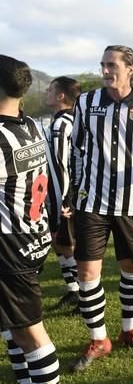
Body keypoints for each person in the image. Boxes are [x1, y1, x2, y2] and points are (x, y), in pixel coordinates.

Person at [69, 45, 133, 372]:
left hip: (132, 205)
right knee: (87, 274)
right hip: (92, 205)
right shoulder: (86, 103)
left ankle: (129, 331)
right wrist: (73, 191)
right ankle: (99, 339)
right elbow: (75, 151)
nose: (104, 70)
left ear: (130, 69)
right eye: (102, 64)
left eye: (111, 64)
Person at [0, 55, 60, 384]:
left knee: (31, 335)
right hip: (33, 234)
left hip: (10, 245)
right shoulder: (31, 124)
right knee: (13, 323)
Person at [44, 76, 82, 314]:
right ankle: (74, 290)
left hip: (63, 193)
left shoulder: (62, 124)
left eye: (50, 89)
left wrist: (60, 201)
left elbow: (60, 166)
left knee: (65, 244)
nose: (46, 92)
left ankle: (84, 296)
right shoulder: (66, 120)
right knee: (60, 244)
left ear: (60, 96)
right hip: (60, 192)